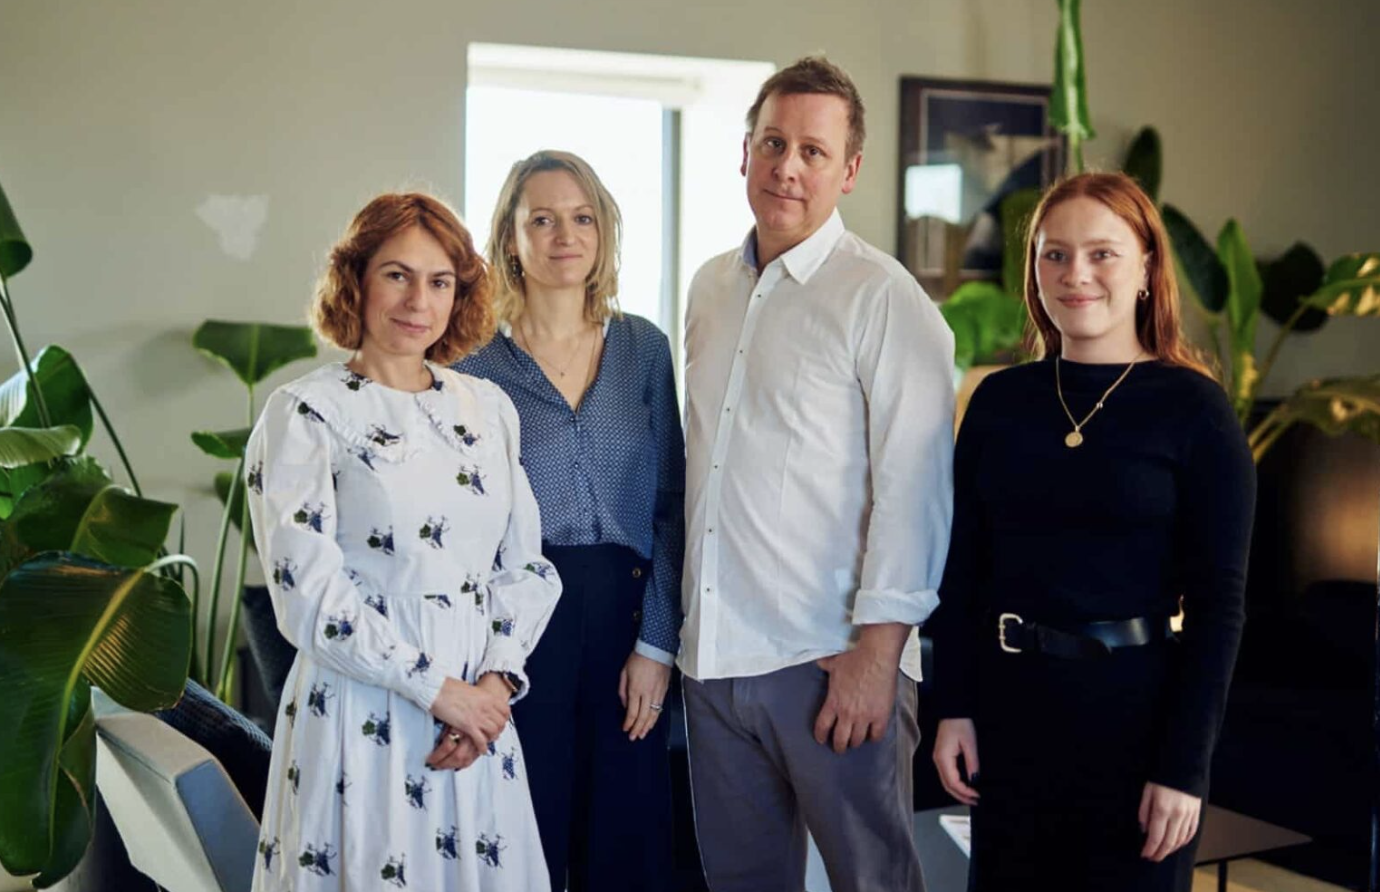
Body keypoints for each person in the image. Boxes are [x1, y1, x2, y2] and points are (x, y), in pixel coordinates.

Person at [931, 171, 1257, 891]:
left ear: (1145, 268)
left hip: (1137, 729)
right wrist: (953, 705)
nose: (1075, 274)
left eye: (1102, 254)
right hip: (1011, 722)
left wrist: (1184, 768)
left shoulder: (1195, 409)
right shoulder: (999, 400)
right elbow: (962, 570)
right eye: (1054, 254)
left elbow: (1220, 606)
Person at [679, 56, 955, 892]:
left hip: (833, 664)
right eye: (772, 143)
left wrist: (879, 656)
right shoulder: (708, 289)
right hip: (715, 661)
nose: (787, 167)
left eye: (811, 150)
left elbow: (916, 492)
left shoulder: (884, 298)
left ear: (850, 169)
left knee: (872, 882)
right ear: (744, 153)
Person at [245, 192, 561, 892]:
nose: (419, 299)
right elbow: (309, 601)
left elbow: (528, 567)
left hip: (480, 719)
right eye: (397, 274)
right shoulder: (303, 413)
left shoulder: (491, 409)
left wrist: (492, 686)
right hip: (364, 709)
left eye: (440, 280)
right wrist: (438, 692)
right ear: (356, 280)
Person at [454, 150, 683, 892]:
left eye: (582, 218)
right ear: (510, 238)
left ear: (604, 231)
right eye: (542, 219)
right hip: (523, 620)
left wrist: (657, 642)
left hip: (627, 612)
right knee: (527, 824)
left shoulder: (645, 348)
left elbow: (672, 505)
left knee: (630, 833)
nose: (564, 236)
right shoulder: (472, 364)